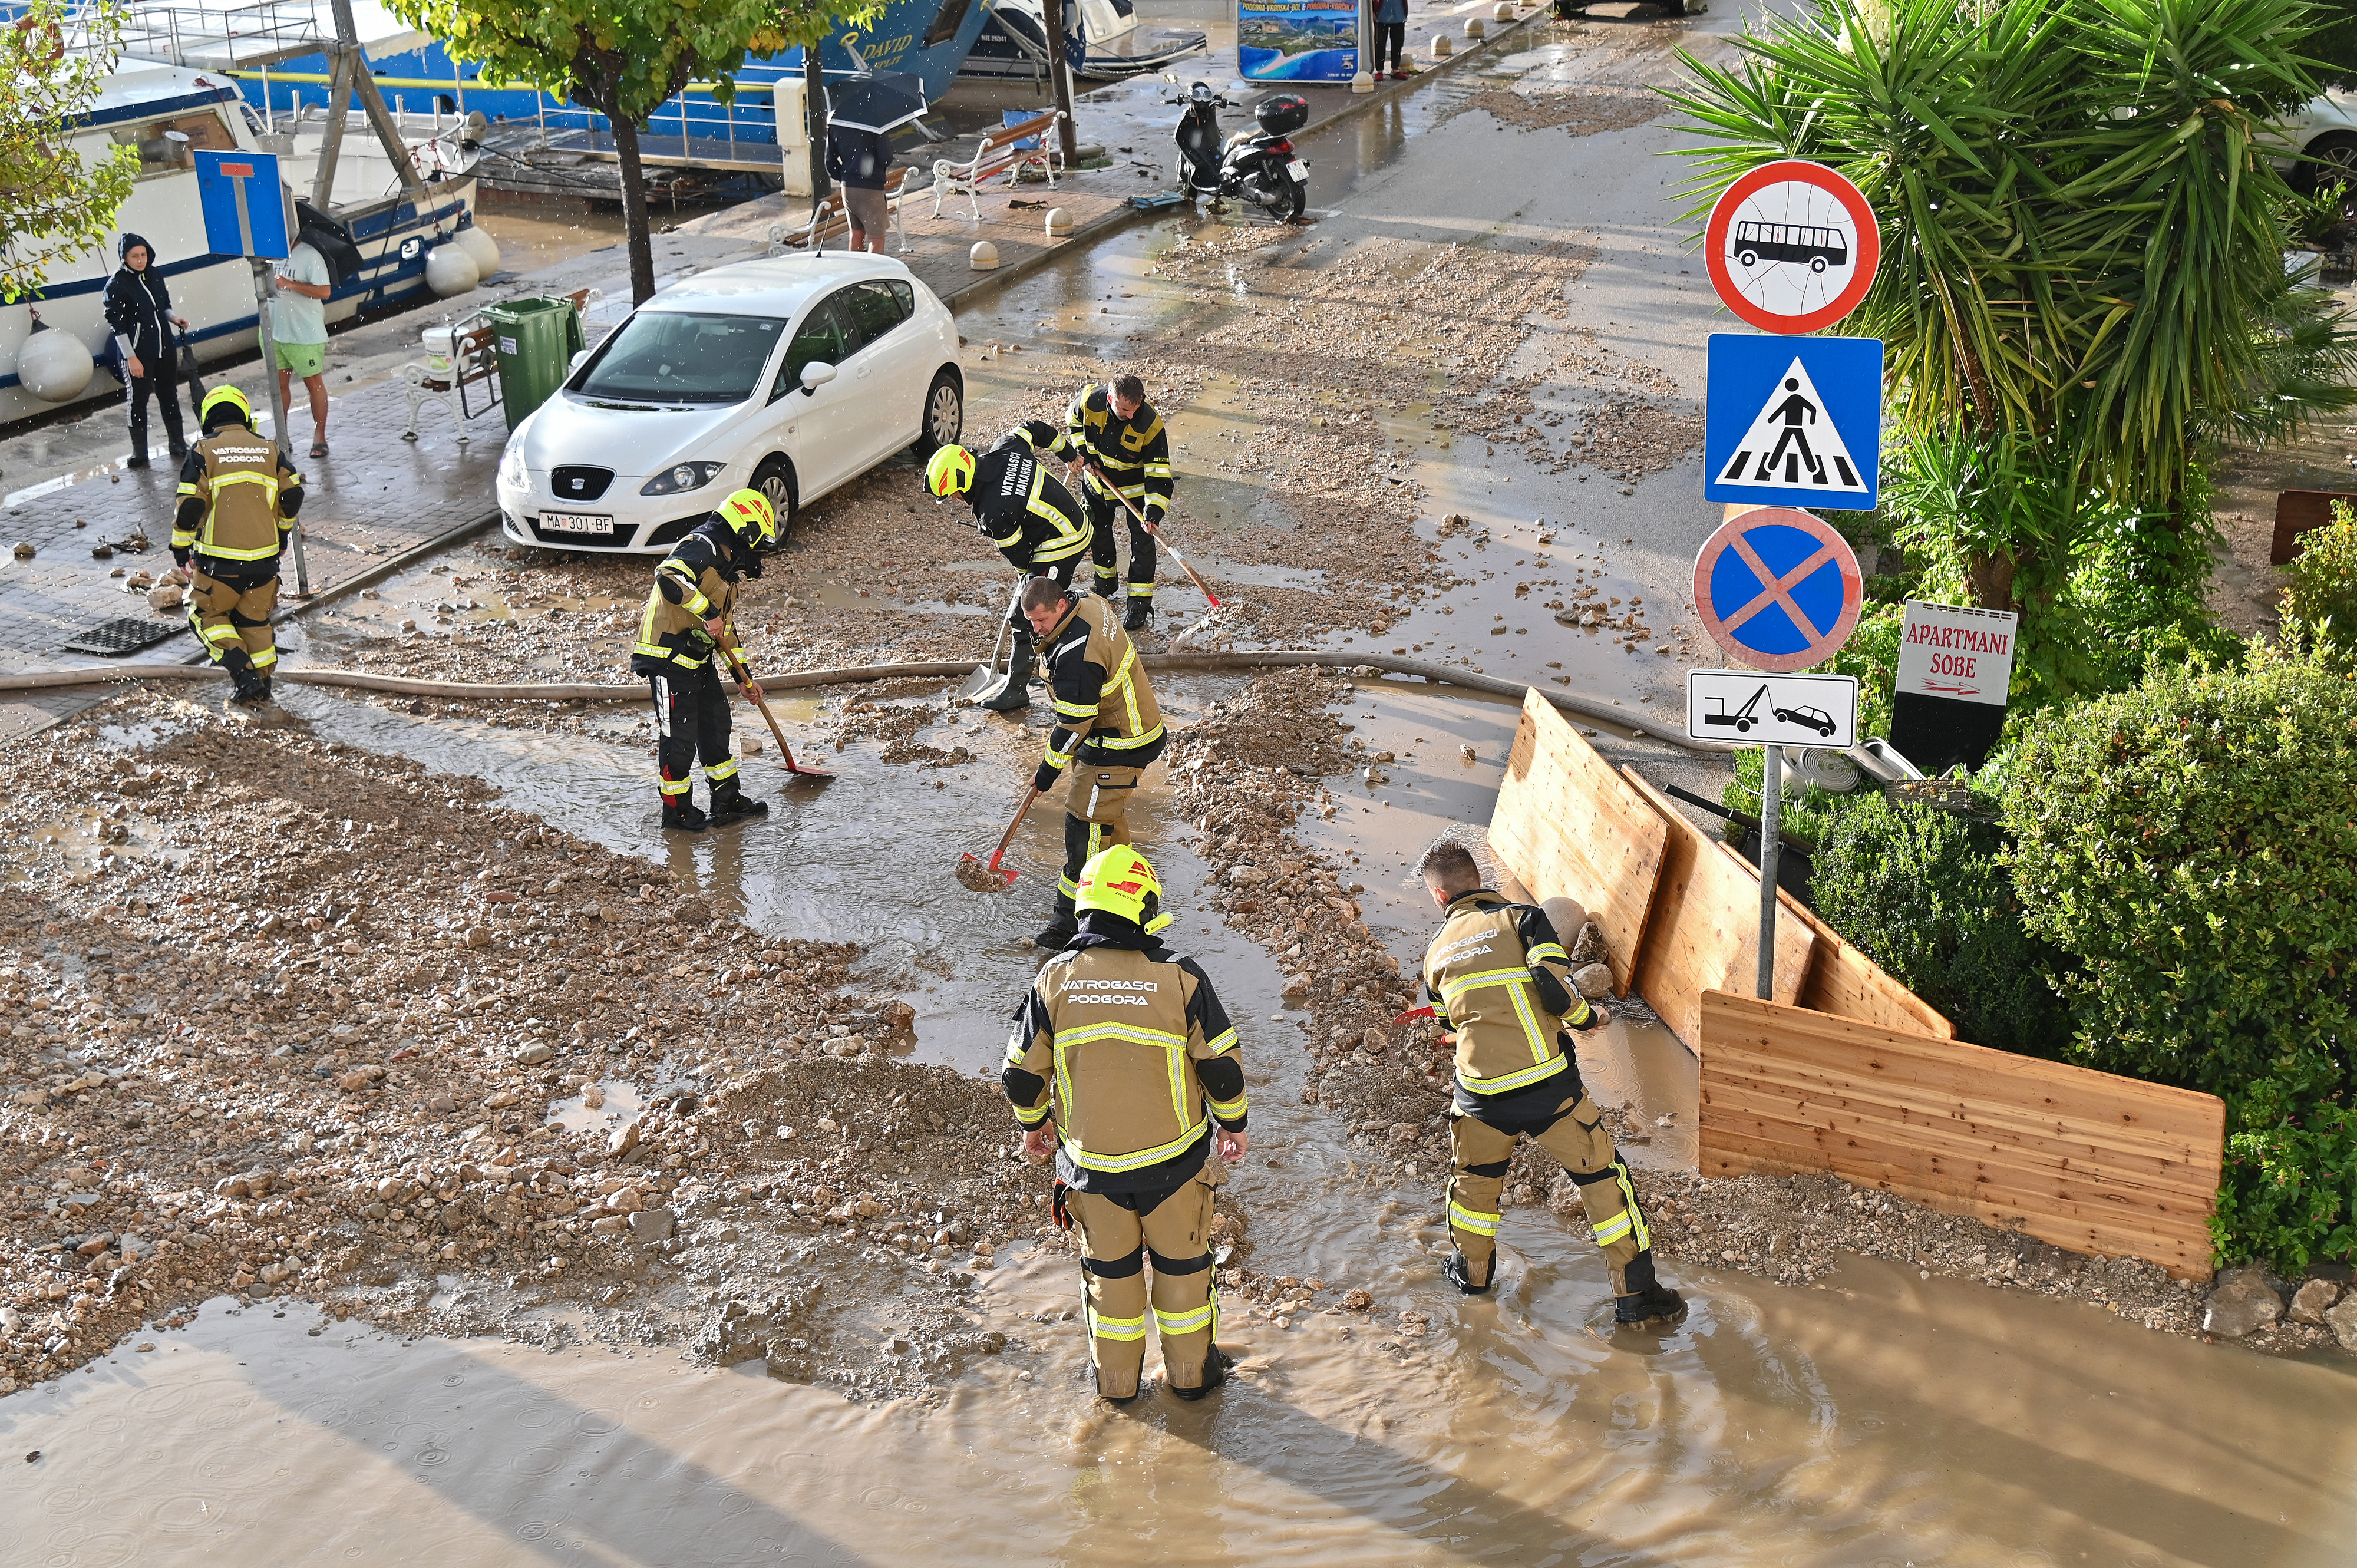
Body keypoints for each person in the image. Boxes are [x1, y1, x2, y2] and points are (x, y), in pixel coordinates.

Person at [1004, 845, 1249, 1404]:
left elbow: (1020, 1075)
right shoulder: (1181, 977)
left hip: (1092, 1171)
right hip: (1174, 1166)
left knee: (1110, 1285)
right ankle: (1192, 1384)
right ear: (1144, 906)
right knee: (1184, 1277)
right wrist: (1233, 1125)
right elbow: (1222, 1070)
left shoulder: (1053, 979)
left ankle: (1116, 1393)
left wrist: (1033, 1125)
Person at [1415, 840, 1686, 1325]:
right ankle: (1636, 1296)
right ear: (1479, 880)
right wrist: (1590, 1017)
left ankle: (1472, 1278)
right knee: (1602, 1178)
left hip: (1480, 1097)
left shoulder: (1434, 953)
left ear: (1439, 896)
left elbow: (1449, 1027)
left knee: (1474, 1185)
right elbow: (1553, 990)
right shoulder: (1523, 919)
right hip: (1547, 1088)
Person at [1022, 575, 1166, 950]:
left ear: (1061, 606)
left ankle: (1071, 924)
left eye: (1042, 621)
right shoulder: (1087, 602)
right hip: (1129, 726)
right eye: (1031, 622)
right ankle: (1129, 903)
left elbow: (1073, 725)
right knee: (1107, 821)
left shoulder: (1078, 657)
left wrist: (1046, 773)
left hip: (1119, 743)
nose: (1036, 629)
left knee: (1083, 827)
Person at [629, 488, 780, 831]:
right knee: (679, 739)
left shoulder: (727, 571)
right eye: (756, 544)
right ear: (744, 531)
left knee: (716, 725)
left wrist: (745, 679)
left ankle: (726, 801)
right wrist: (708, 611)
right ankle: (677, 813)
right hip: (667, 657)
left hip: (696, 660)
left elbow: (725, 631)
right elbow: (668, 576)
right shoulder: (702, 546)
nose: (755, 555)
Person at [925, 433, 1094, 712]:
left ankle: (1017, 690)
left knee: (1028, 612)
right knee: (1039, 605)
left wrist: (1026, 581)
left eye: (953, 493)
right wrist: (1068, 454)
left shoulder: (992, 511)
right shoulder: (1005, 446)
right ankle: (1050, 662)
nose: (955, 498)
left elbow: (1020, 555)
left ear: (962, 483)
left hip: (1064, 541)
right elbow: (1035, 428)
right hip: (1072, 520)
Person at [172, 387, 303, 706]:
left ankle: (245, 676)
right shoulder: (270, 449)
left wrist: (180, 546)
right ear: (245, 417)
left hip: (220, 564)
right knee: (254, 622)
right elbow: (292, 496)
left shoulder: (203, 450)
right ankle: (263, 686)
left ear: (207, 418)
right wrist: (282, 535)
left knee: (204, 615)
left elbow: (191, 506)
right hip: (265, 563)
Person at [1016, 377, 1175, 632]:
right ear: (1110, 399)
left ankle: (1139, 605)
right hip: (1098, 485)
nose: (1131, 416)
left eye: (1134, 410)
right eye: (1124, 410)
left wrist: (1153, 513)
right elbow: (1072, 419)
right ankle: (1106, 584)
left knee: (1143, 546)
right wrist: (1083, 453)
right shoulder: (1090, 400)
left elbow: (1159, 475)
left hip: (1135, 491)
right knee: (1098, 534)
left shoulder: (1150, 424)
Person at [103, 233, 189, 470]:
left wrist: (173, 318)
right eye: (135, 256)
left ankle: (178, 442)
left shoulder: (154, 274)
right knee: (138, 400)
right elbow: (117, 326)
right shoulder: (117, 285)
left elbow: (164, 304)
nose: (141, 260)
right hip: (138, 353)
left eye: (144, 255)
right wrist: (131, 358)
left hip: (164, 346)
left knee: (169, 395)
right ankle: (139, 452)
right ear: (125, 258)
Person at [271, 235, 334, 460]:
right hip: (275, 331)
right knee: (279, 385)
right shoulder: (269, 253)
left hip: (304, 334)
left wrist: (289, 284)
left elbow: (325, 292)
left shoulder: (310, 255)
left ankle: (320, 436)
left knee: (314, 384)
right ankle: (282, 435)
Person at [824, 119, 895, 255]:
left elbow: (830, 162)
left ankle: (854, 267)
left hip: (848, 189)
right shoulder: (874, 123)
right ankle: (872, 269)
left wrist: (845, 177)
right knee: (877, 239)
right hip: (871, 189)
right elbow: (886, 158)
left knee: (856, 235)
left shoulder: (837, 124)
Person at [1373, 0, 1409, 80]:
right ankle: (1379, 70)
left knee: (1398, 43)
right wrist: (1372, 10)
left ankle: (1395, 69)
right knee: (1380, 44)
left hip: (1399, 14)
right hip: (1381, 14)